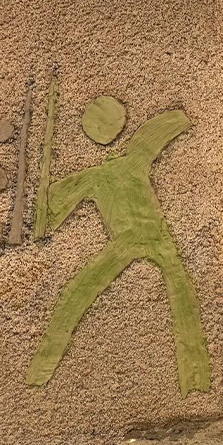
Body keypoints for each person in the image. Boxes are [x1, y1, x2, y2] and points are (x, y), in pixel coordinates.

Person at [27, 99, 210, 395]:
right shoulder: (126, 163)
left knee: (79, 291)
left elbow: (54, 205)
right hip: (150, 238)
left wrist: (44, 211)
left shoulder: (99, 175)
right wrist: (181, 119)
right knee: (180, 292)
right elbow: (157, 131)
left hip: (136, 240)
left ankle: (39, 372)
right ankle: (197, 380)